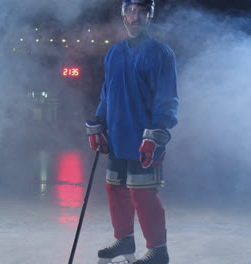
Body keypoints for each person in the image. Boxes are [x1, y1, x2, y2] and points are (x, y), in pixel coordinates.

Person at [86, 0, 178, 263]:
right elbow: (108, 94)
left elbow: (167, 99)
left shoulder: (161, 53)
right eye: (130, 11)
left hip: (144, 140)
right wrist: (99, 124)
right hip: (117, 136)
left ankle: (158, 250)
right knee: (115, 189)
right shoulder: (114, 53)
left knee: (143, 193)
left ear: (150, 16)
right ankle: (125, 241)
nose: (134, 17)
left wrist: (157, 133)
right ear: (124, 15)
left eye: (141, 12)